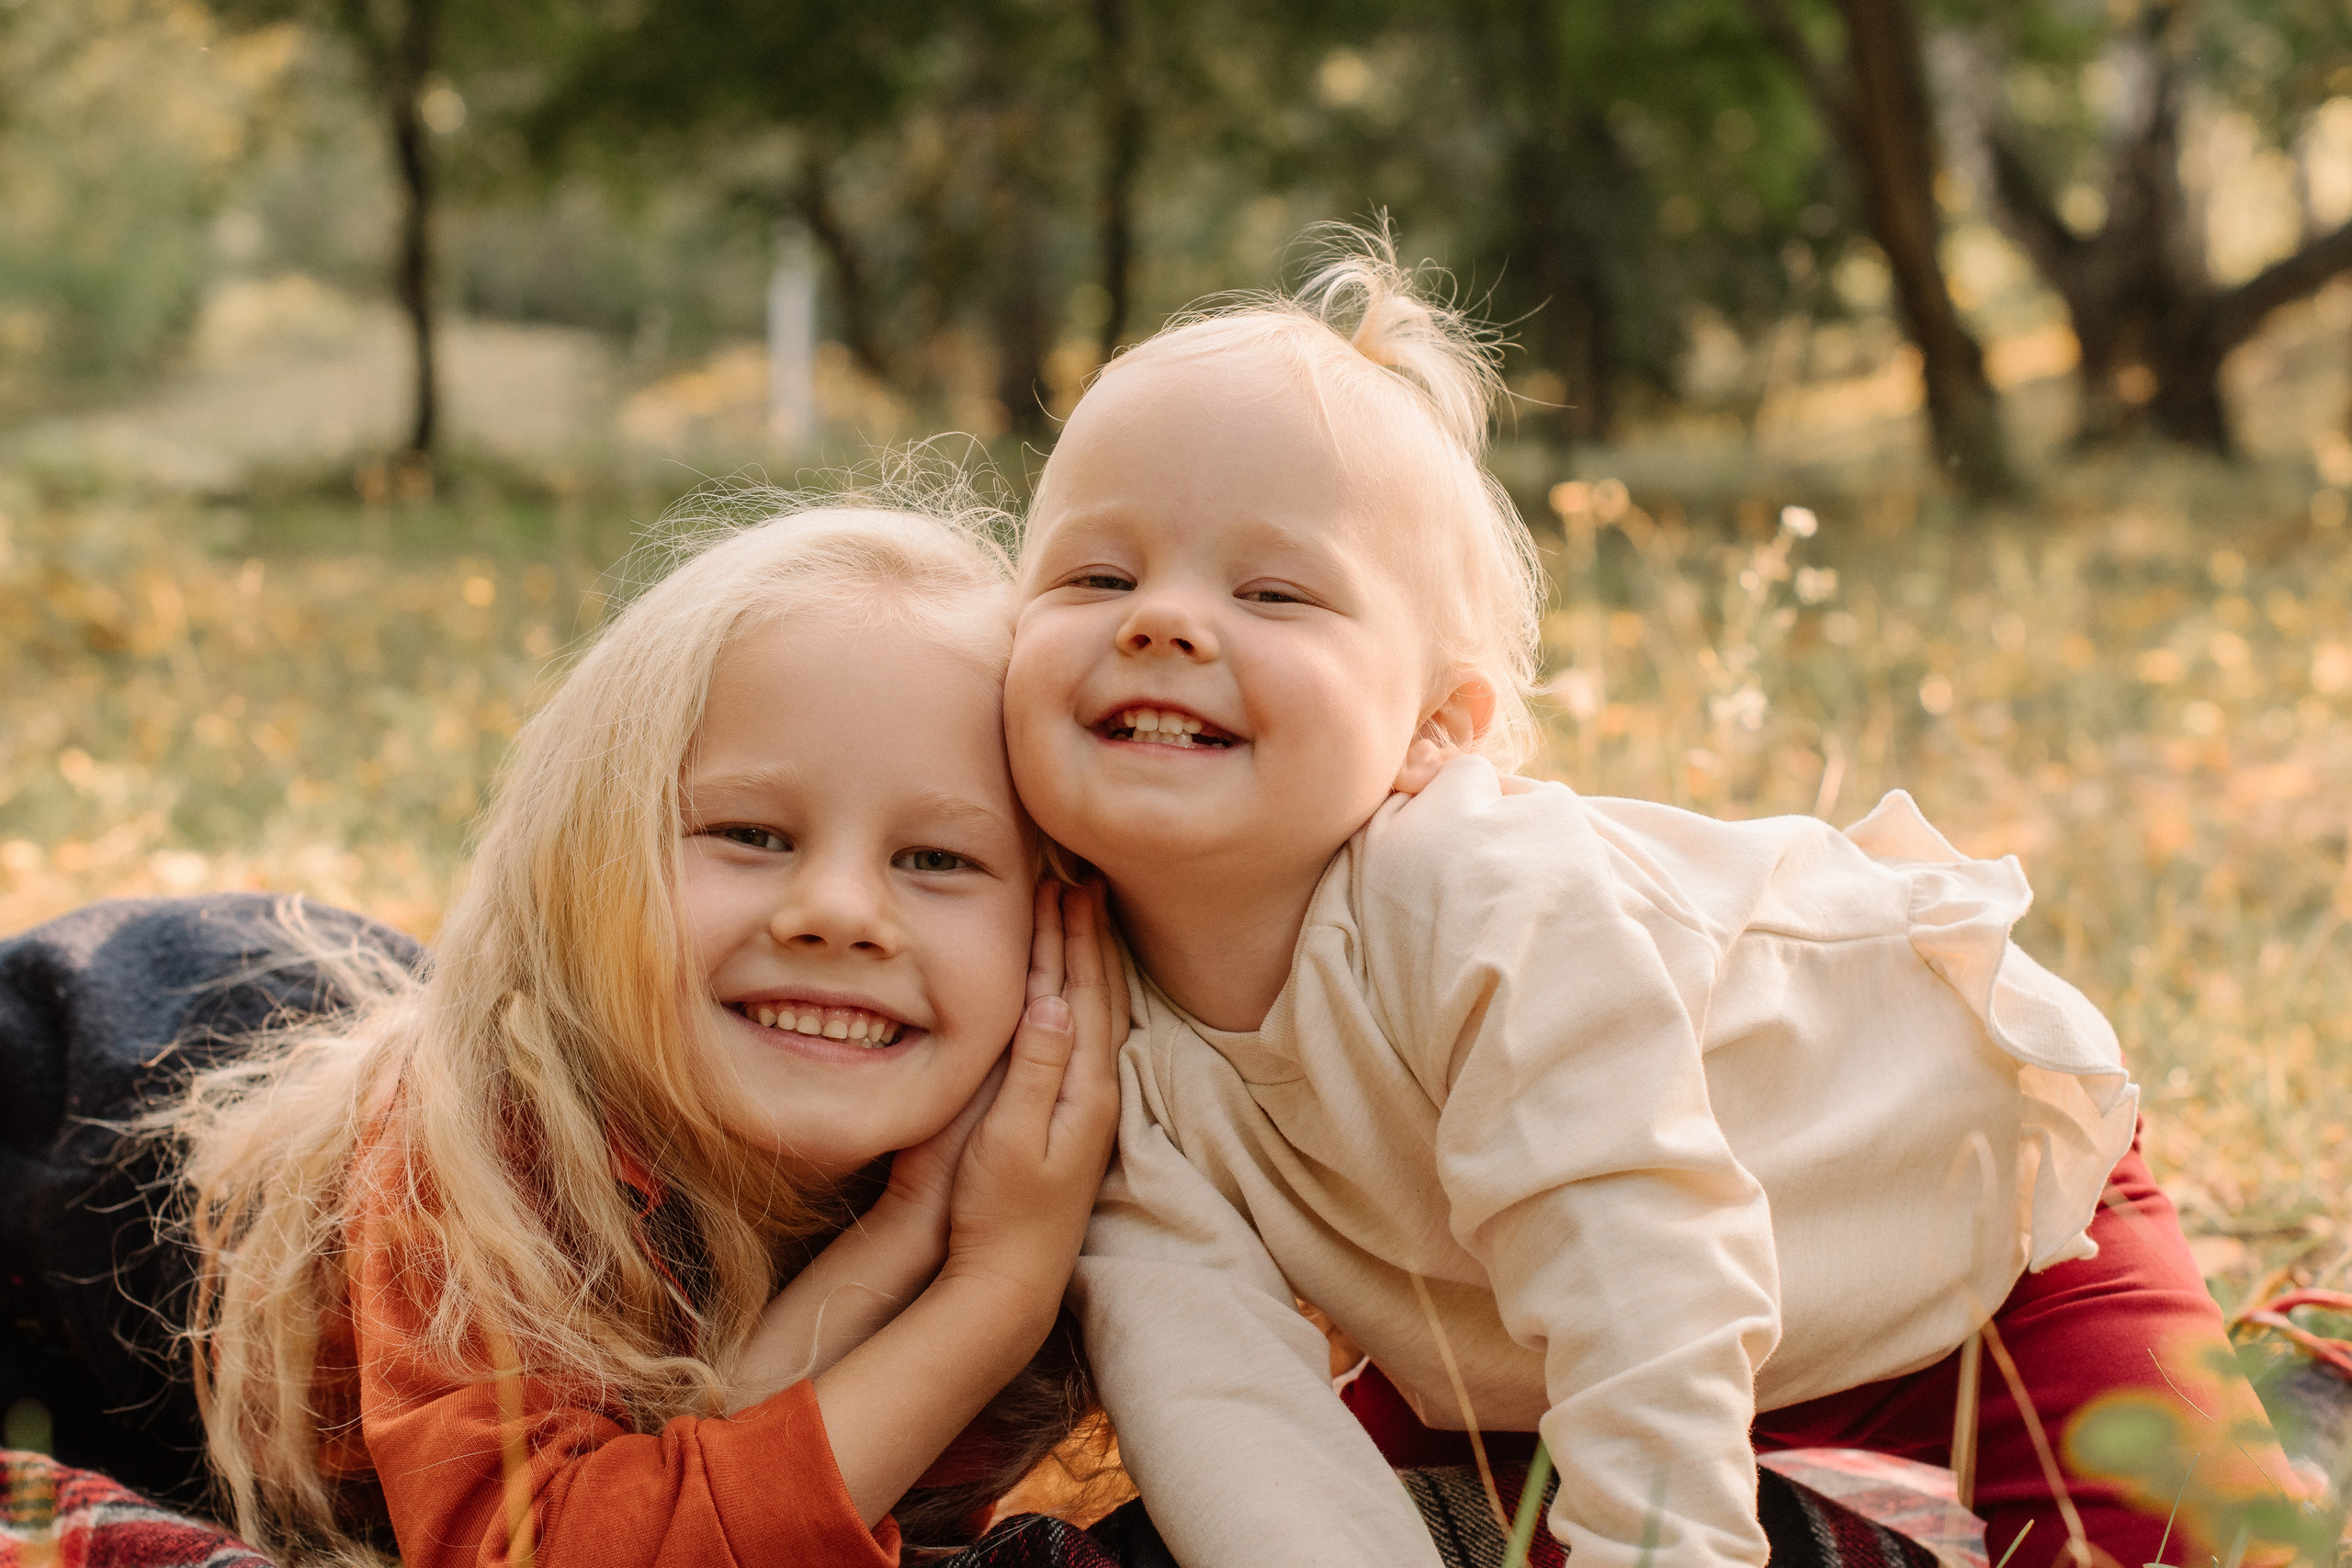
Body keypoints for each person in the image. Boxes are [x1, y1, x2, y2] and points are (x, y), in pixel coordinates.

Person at [1000, 229, 2306, 1568]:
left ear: (1432, 730)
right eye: (1096, 576)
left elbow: (1647, 1260)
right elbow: (1223, 1396)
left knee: (2184, 1542)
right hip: (1552, 1349)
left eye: (1272, 590)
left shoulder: (1481, 899)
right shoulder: (1094, 1020)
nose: (1162, 620)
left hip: (1958, 1242)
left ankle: (2308, 1398)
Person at [18, 499, 1128, 1567]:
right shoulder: (480, 1147)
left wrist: (915, 1236)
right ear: (586, 867)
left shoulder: (1062, 1161)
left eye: (937, 858)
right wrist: (991, 1293)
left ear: (1059, 921)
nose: (838, 911)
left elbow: (700, 1479)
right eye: (749, 832)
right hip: (78, 1099)